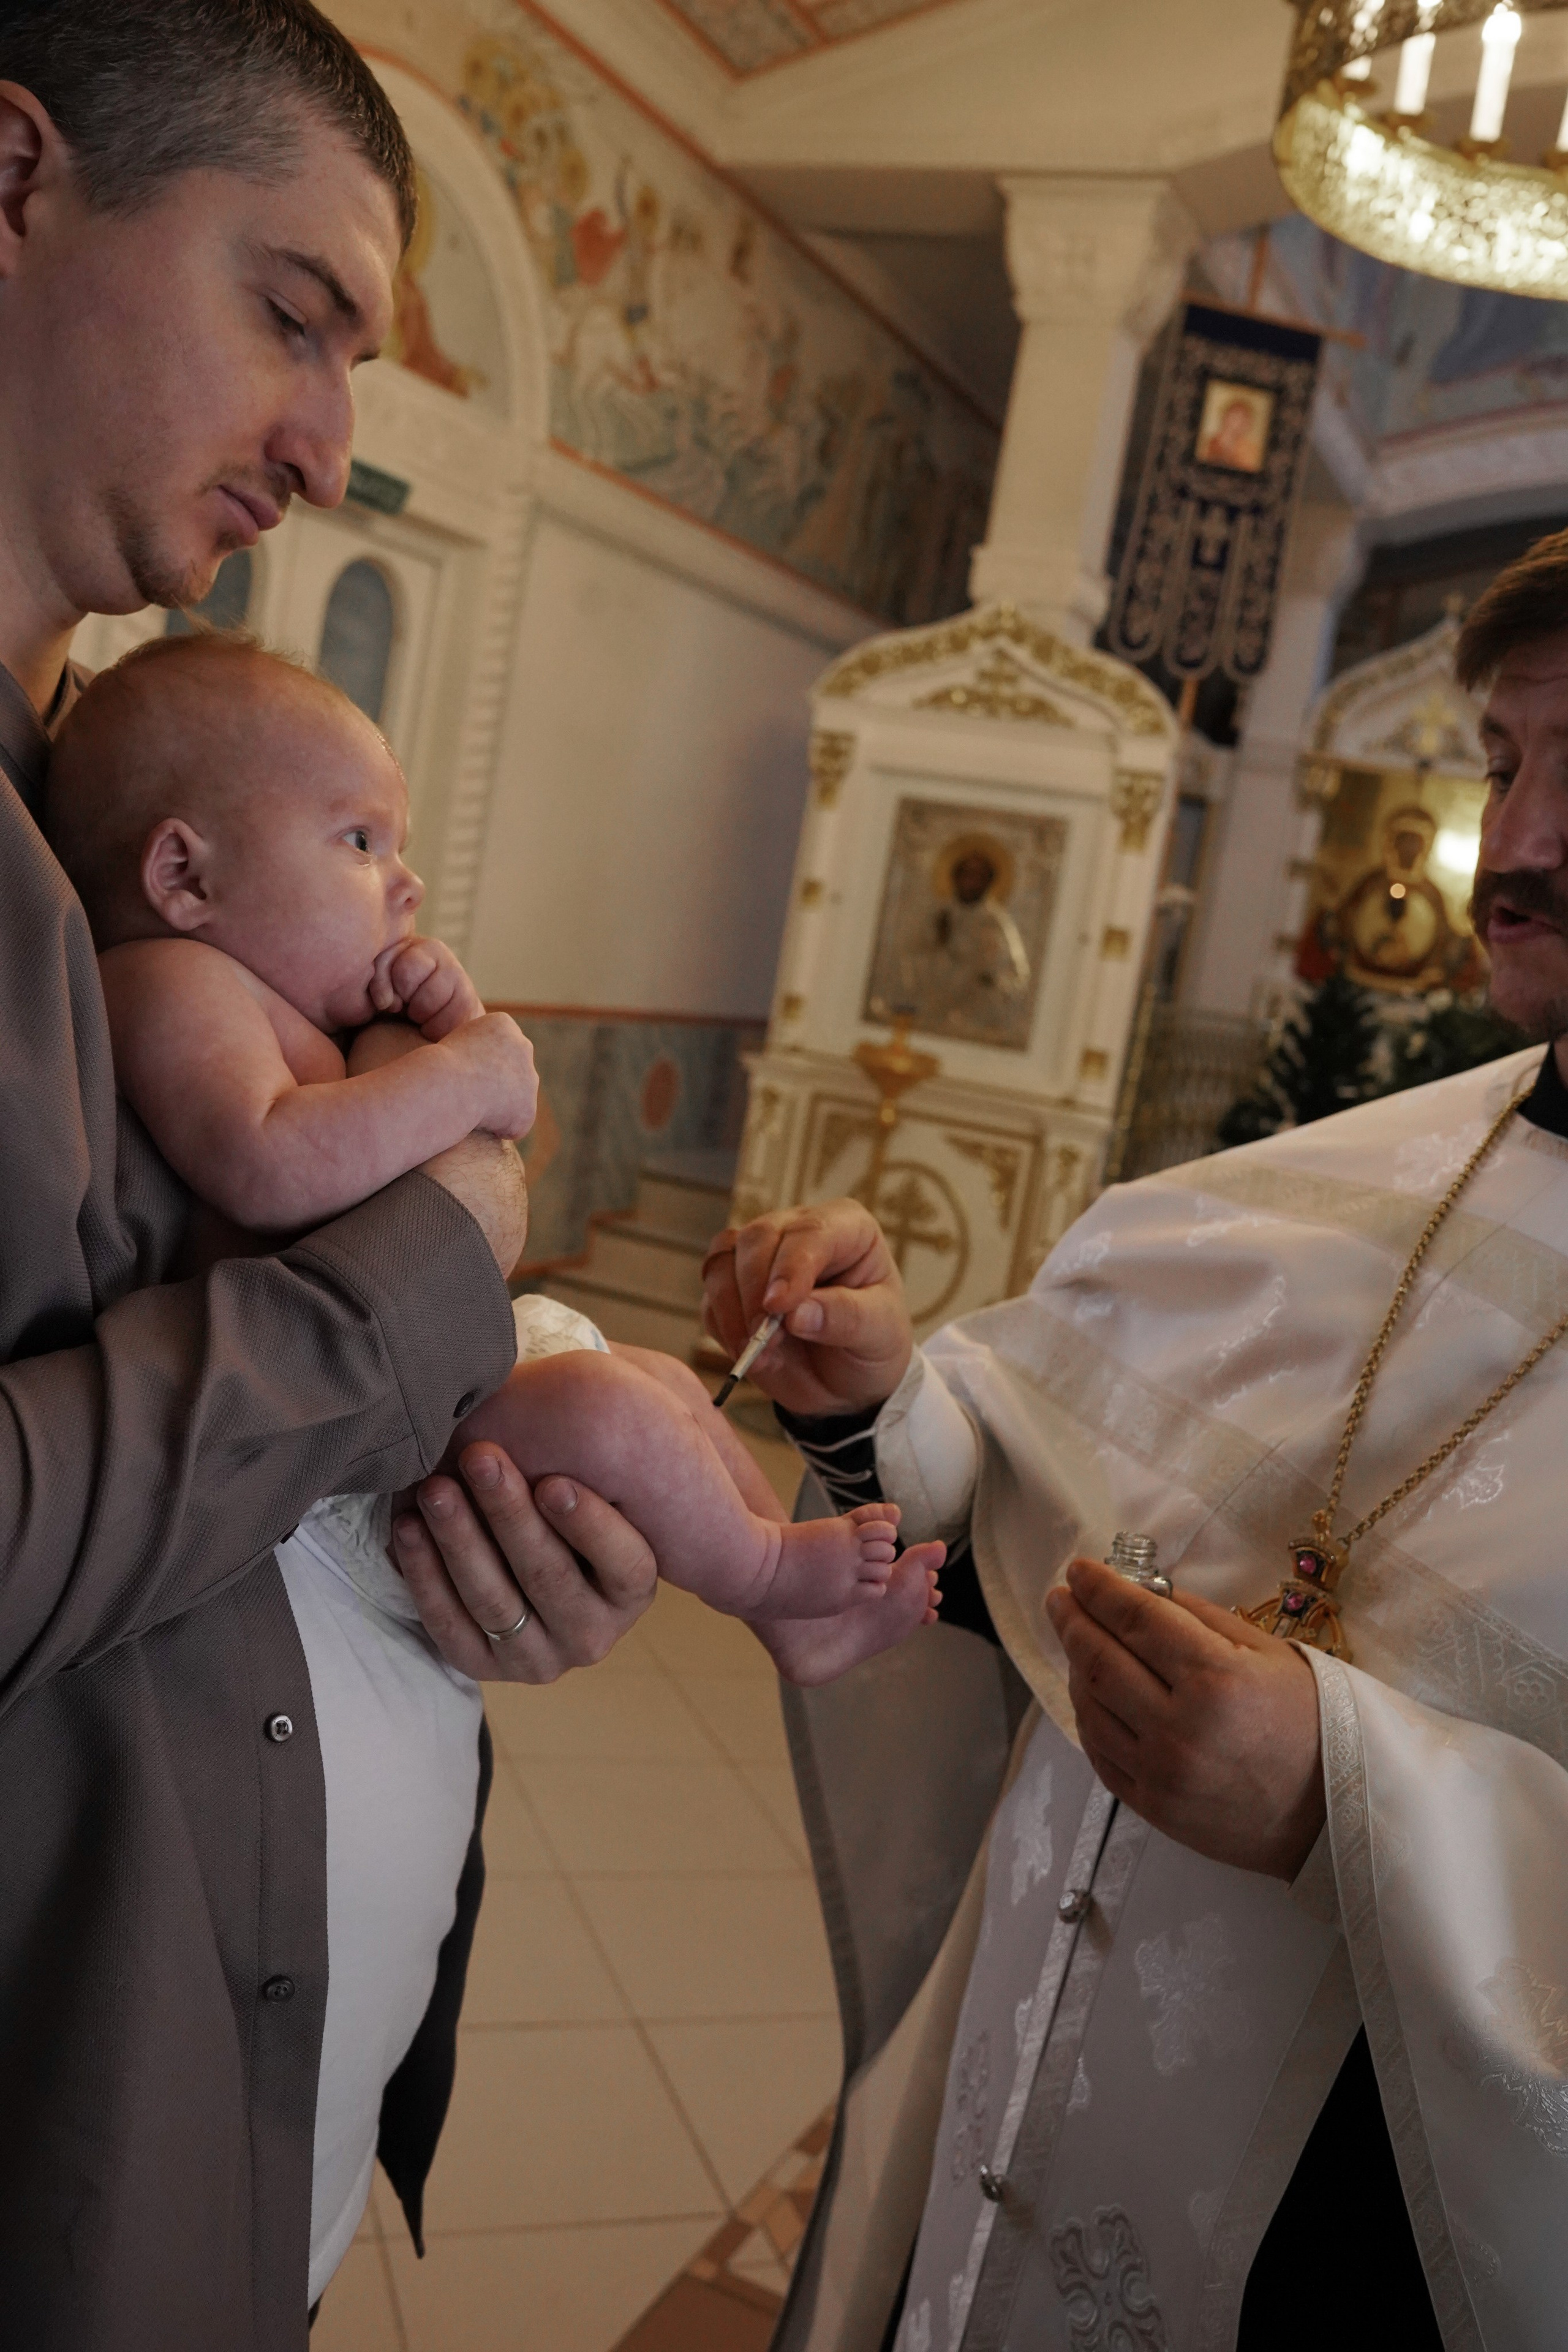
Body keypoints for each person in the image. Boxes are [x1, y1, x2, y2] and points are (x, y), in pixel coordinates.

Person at [704, 529, 1568, 2351]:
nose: (1526, 844)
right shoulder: (1357, 1182)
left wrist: (1347, 1803)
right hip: (1023, 2123)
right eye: (1502, 763)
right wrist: (880, 1406)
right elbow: (1030, 1530)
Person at [0, 6, 660, 2342]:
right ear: (15, 184)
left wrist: (463, 1558)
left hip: (224, 2088)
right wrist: (425, 1278)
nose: (330, 442)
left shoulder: (97, 794)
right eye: (291, 314)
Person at [47, 629, 946, 1637]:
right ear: (184, 875)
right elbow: (270, 1158)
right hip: (339, 1438)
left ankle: (792, 1612)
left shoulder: (277, 993)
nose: (406, 881)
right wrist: (460, 1070)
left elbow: (425, 1130)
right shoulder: (168, 981)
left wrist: (446, 1018)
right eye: (358, 841)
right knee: (617, 1416)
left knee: (658, 1383)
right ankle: (771, 1573)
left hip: (418, 1362)